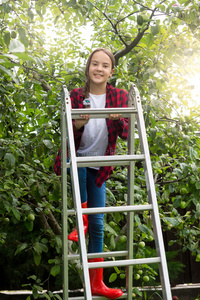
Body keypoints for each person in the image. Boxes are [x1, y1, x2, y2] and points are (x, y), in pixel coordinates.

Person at [54, 48, 129, 299]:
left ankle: (97, 281)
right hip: (78, 159)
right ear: (88, 68)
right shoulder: (75, 96)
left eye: (105, 65)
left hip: (100, 165)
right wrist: (78, 123)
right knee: (81, 168)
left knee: (98, 224)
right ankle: (81, 220)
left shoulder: (119, 96)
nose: (99, 69)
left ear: (111, 71)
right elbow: (67, 135)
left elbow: (127, 133)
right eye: (95, 64)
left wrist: (118, 119)